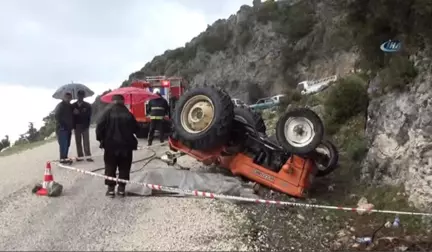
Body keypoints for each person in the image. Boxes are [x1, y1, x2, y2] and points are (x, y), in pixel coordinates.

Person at [96, 94, 138, 197]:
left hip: (110, 145)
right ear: (123, 102)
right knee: (124, 167)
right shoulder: (128, 114)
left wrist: (101, 139)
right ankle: (121, 189)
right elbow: (136, 129)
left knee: (110, 166)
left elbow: (99, 127)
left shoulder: (106, 113)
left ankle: (110, 190)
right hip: (126, 146)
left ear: (112, 101)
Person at [72, 90, 93, 162]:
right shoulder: (73, 105)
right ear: (77, 96)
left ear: (83, 96)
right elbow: (71, 116)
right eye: (79, 95)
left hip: (85, 125)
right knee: (78, 142)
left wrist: (79, 113)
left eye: (82, 95)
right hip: (76, 126)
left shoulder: (87, 105)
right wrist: (73, 113)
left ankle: (88, 156)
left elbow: (88, 115)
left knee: (86, 142)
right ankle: (80, 156)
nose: (80, 96)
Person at [54, 92, 74, 164]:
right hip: (62, 128)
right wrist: (63, 124)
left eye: (69, 97)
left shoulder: (70, 106)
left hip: (69, 128)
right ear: (64, 97)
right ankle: (62, 159)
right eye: (67, 97)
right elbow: (56, 116)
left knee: (67, 144)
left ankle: (65, 157)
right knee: (63, 144)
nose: (68, 98)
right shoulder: (60, 105)